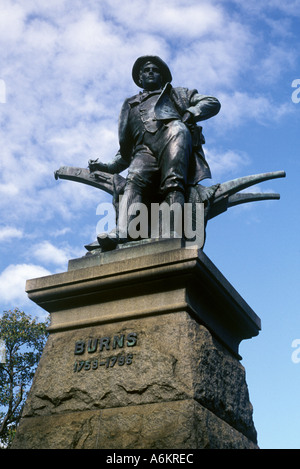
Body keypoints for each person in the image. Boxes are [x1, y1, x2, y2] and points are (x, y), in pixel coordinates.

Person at [89, 55, 220, 247]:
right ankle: (123, 230)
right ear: (140, 78)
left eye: (155, 70)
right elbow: (125, 149)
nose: (150, 72)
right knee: (134, 178)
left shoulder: (177, 94)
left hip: (172, 134)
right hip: (143, 149)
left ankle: (172, 229)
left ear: (162, 76)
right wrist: (108, 166)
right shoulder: (130, 103)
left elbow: (212, 102)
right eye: (146, 70)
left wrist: (191, 113)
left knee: (173, 180)